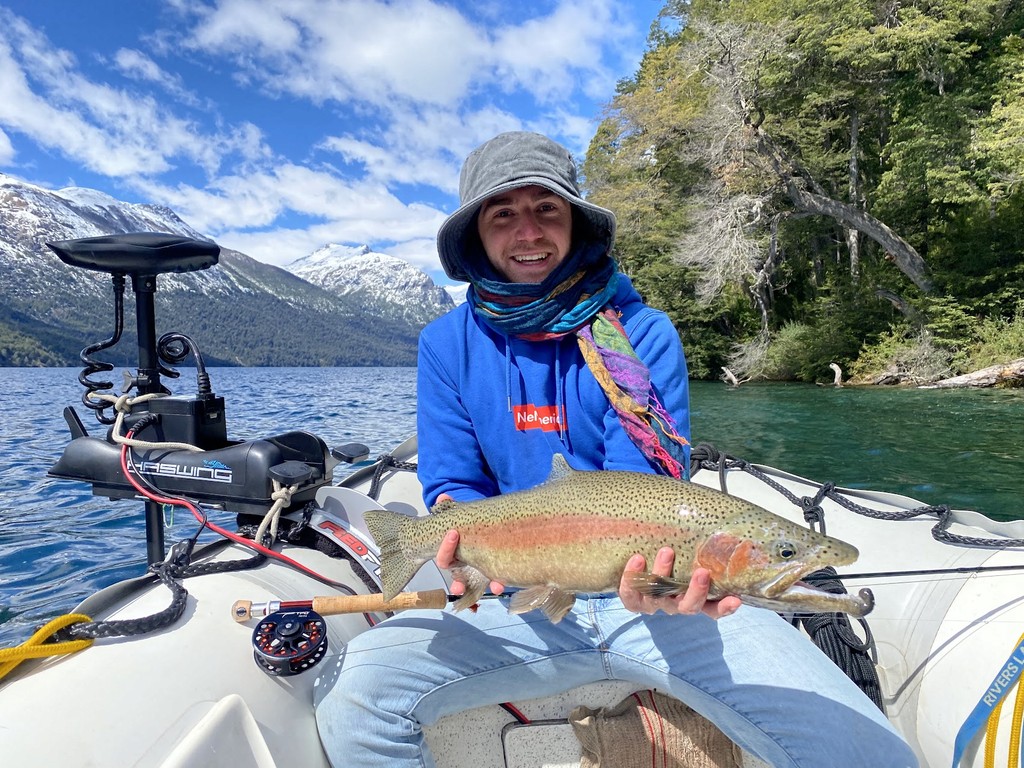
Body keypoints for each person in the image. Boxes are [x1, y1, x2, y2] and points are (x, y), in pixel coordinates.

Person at [315, 131, 918, 767]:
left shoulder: (643, 333)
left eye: (548, 208)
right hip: (513, 607)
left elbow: (637, 486)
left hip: (666, 611)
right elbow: (454, 485)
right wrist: (468, 556)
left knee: (865, 749)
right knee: (355, 704)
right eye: (504, 213)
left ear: (575, 222)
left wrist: (664, 580)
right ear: (475, 237)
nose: (529, 232)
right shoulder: (446, 344)